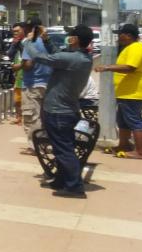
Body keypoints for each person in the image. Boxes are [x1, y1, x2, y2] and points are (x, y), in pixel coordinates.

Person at [27, 25, 95, 197]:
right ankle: (61, 180)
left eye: (70, 35)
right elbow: (57, 55)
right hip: (66, 110)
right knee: (62, 148)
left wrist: (27, 41)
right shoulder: (81, 58)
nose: (68, 37)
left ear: (75, 40)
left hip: (58, 112)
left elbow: (40, 57)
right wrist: (46, 40)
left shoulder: (73, 59)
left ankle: (74, 187)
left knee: (64, 150)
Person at [94, 23, 142, 159]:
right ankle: (124, 145)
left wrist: (107, 67)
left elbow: (130, 67)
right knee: (122, 120)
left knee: (134, 121)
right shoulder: (130, 47)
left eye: (120, 34)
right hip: (126, 92)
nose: (118, 37)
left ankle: (141, 152)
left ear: (128, 35)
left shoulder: (136, 47)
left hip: (133, 93)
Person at [20, 21, 51, 154]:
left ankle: (34, 146)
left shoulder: (30, 43)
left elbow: (28, 64)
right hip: (48, 83)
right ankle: (45, 143)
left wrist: (19, 66)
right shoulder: (47, 42)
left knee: (32, 116)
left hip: (32, 84)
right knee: (44, 116)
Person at [8, 23, 26, 124]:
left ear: (23, 31)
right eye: (14, 31)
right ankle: (19, 117)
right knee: (17, 99)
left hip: (26, 74)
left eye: (17, 31)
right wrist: (14, 43)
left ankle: (24, 118)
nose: (15, 33)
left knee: (25, 99)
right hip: (18, 75)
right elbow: (10, 54)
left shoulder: (26, 43)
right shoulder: (16, 43)